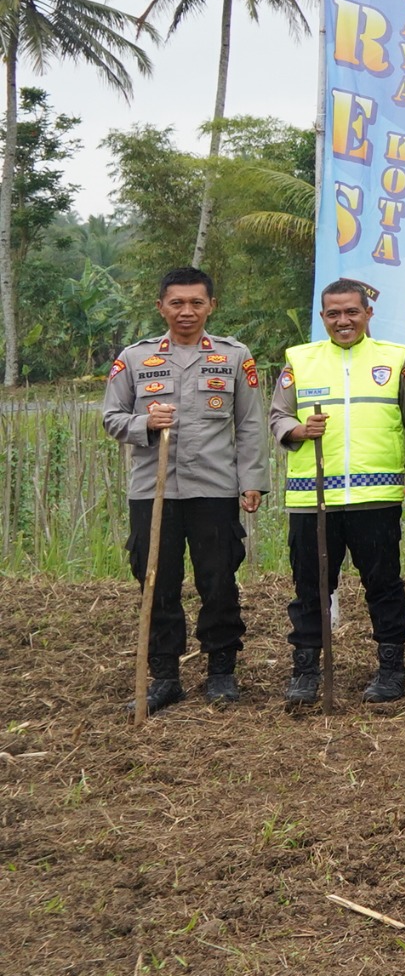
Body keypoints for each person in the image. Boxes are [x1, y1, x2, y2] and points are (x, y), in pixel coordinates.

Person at [102, 266, 266, 713]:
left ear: (211, 305)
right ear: (161, 307)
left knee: (218, 580)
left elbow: (250, 424)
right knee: (156, 580)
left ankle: (221, 671)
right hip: (152, 492)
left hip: (213, 489)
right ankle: (165, 676)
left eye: (196, 302)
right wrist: (145, 424)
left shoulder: (234, 356)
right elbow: (111, 417)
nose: (187, 311)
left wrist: (252, 481)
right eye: (177, 303)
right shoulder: (135, 359)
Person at [270, 278, 405, 706]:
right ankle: (306, 670)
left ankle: (391, 668)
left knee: (384, 585)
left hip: (375, 499)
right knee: (311, 586)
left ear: (368, 314)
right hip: (313, 499)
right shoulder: (300, 360)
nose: (343, 320)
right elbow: (276, 415)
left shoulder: (396, 358)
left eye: (352, 311)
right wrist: (296, 429)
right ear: (322, 318)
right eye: (333, 313)